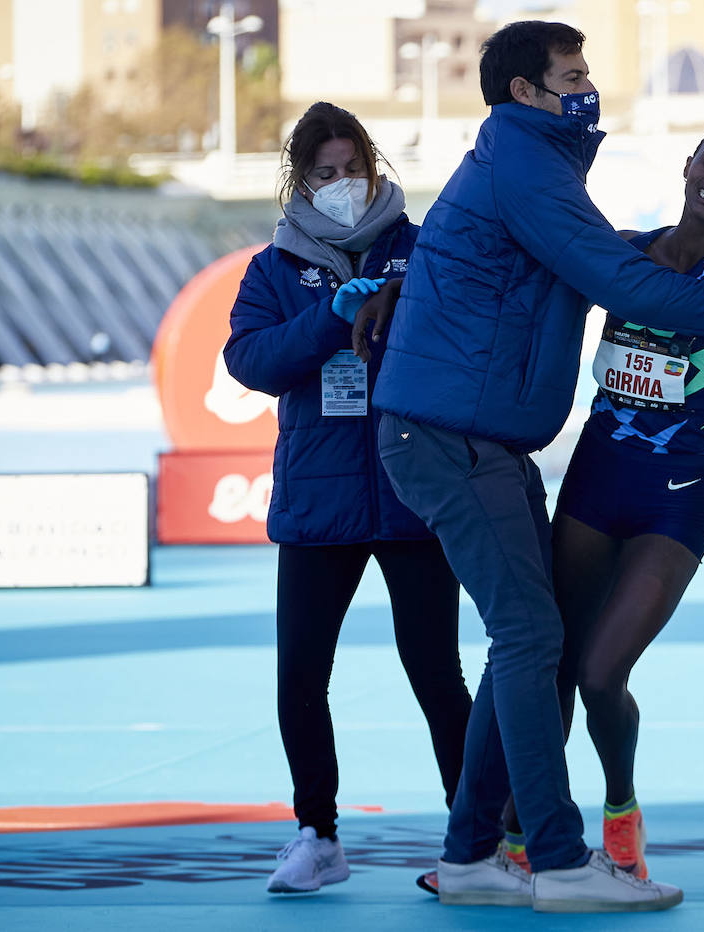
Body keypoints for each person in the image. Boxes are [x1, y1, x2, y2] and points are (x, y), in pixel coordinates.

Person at [367, 21, 704, 913]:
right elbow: (616, 276)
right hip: (455, 438)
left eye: (585, 74)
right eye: (574, 75)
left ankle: (472, 853)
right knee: (533, 640)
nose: (588, 88)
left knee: (528, 644)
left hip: (498, 443)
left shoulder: (538, 168)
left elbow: (521, 266)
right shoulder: (532, 168)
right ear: (527, 91)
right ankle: (559, 860)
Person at [223, 101, 472, 895]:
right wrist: (331, 322)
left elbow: (461, 342)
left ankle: (476, 840)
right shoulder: (272, 268)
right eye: (323, 174)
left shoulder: (422, 250)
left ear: (376, 169)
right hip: (317, 501)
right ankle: (317, 835)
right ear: (300, 181)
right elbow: (250, 361)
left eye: (352, 169)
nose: (341, 185)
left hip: (413, 489)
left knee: (437, 671)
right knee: (300, 674)